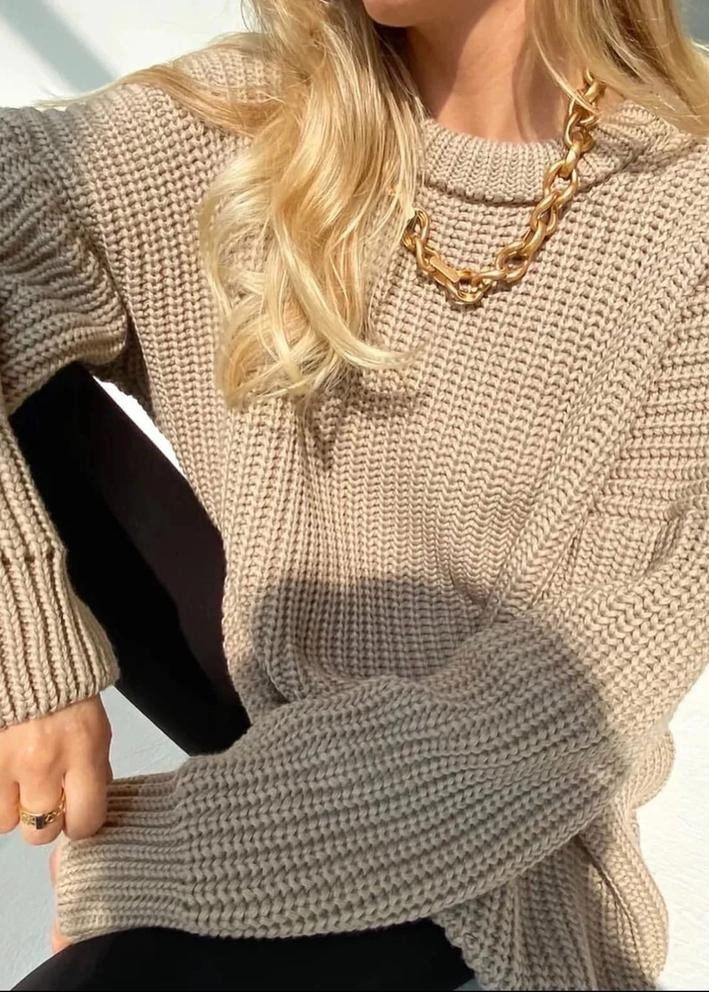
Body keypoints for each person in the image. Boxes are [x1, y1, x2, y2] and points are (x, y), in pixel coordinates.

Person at [1, 0, 708, 989]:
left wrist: (146, 856)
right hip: (261, 697)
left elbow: (551, 720)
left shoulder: (686, 221)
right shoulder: (264, 123)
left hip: (496, 841)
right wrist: (25, 632)